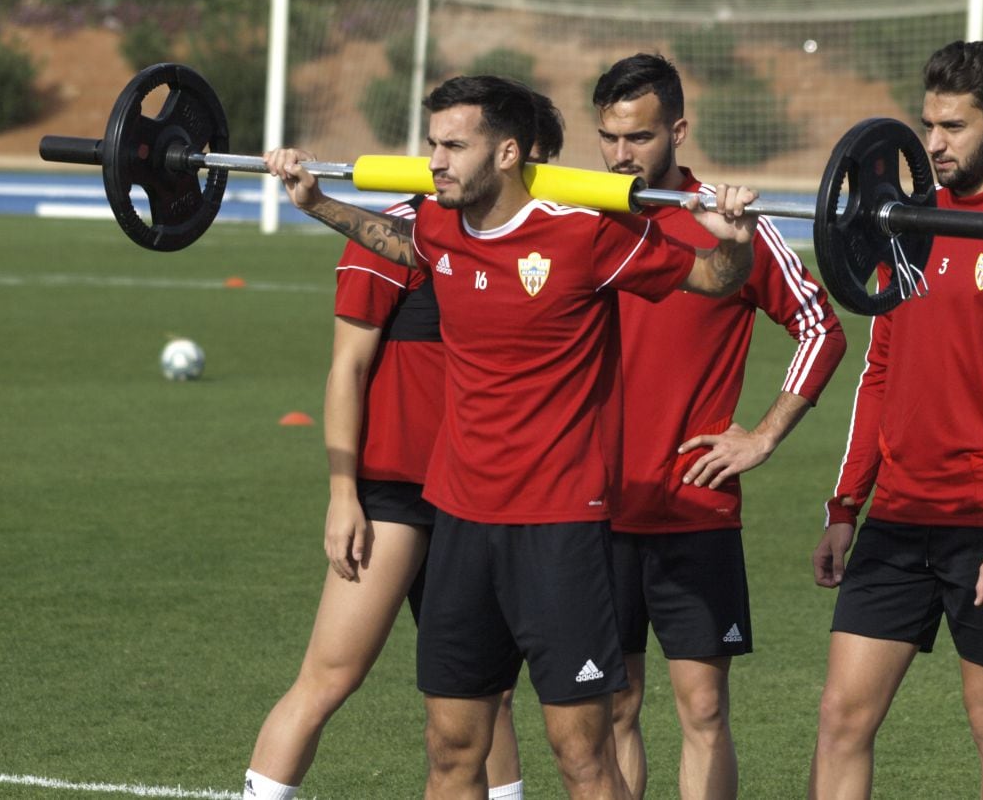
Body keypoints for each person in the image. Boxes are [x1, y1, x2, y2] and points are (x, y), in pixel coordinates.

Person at [264, 74, 760, 799]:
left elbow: (715, 280)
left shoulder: (586, 232)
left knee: (582, 757)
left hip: (559, 529)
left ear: (506, 152)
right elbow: (401, 244)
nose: (435, 160)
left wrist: (737, 244)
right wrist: (317, 203)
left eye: (453, 146)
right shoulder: (442, 225)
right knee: (451, 750)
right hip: (461, 523)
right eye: (432, 144)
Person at [241, 91, 566, 800]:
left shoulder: (541, 252)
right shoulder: (397, 237)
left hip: (482, 497)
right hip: (396, 497)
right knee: (329, 677)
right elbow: (347, 369)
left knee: (491, 698)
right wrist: (341, 495)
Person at [810, 40, 983, 800]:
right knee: (840, 721)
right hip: (897, 517)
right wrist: (844, 506)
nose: (932, 144)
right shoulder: (906, 220)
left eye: (952, 127)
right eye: (927, 124)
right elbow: (880, 371)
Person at [589, 53, 846, 799]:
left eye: (637, 137)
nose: (619, 154)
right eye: (607, 136)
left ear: (678, 129)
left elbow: (819, 327)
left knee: (702, 707)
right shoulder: (587, 216)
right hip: (592, 504)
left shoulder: (731, 225)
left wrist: (762, 435)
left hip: (693, 506)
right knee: (615, 707)